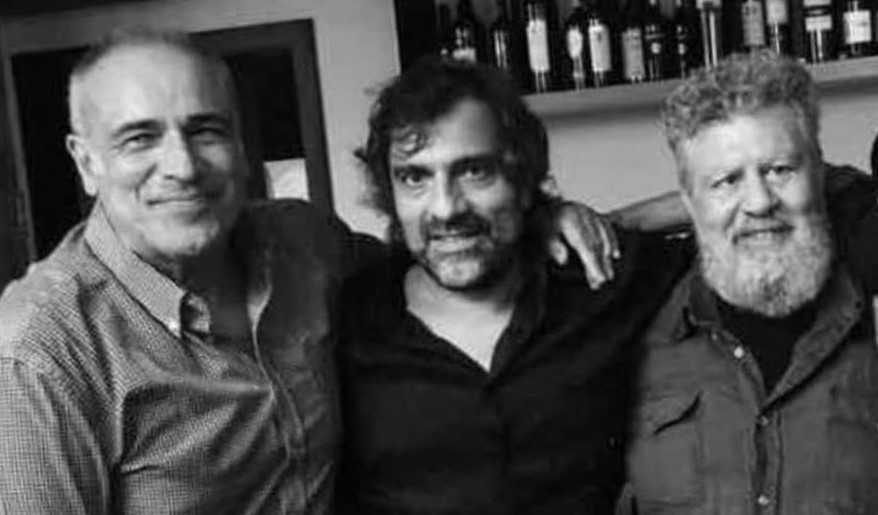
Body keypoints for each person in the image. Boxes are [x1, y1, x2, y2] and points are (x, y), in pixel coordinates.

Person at [0, 29, 613, 513]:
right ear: (86, 162)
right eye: (139, 138)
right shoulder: (39, 353)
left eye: (206, 130)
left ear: (241, 145)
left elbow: (442, 251)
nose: (182, 166)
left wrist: (542, 217)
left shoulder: (304, 244)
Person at [337, 57, 691, 514]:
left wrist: (614, 221)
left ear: (524, 180)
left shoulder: (599, 279)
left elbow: (758, 202)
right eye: (414, 178)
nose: (445, 208)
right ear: (389, 195)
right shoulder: (349, 319)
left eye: (474, 171)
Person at [624, 51, 878, 514]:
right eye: (726, 181)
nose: (759, 202)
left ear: (820, 173)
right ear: (689, 201)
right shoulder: (632, 328)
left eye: (780, 170)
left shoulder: (869, 293)